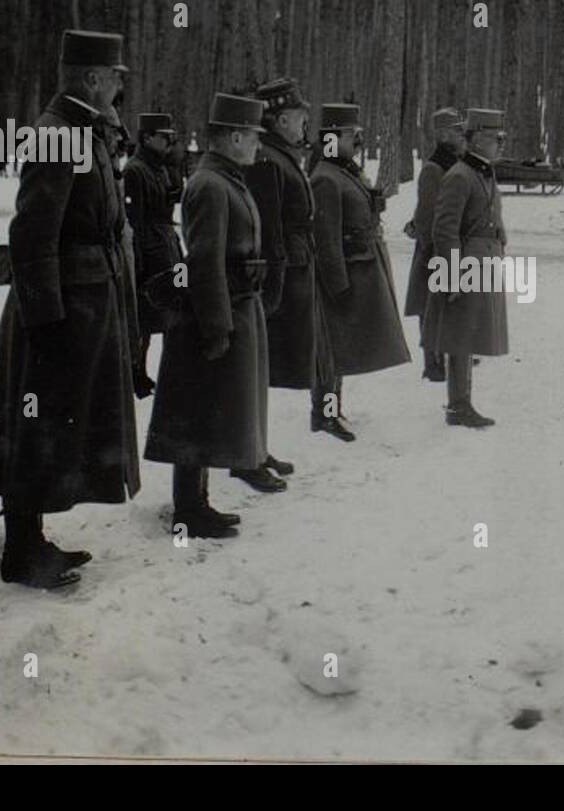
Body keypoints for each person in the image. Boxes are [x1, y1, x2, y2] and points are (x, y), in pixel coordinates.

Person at [0, 29, 140, 590]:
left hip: (84, 303)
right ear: (91, 79)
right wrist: (45, 318)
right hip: (59, 311)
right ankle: (21, 553)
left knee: (55, 426)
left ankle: (33, 539)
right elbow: (33, 231)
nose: (120, 84)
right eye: (115, 75)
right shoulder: (57, 135)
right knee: (36, 424)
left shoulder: (82, 131)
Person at [144, 93, 272, 538]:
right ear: (234, 136)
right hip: (210, 314)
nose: (258, 144)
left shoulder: (225, 179)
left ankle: (197, 501)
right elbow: (205, 262)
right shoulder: (211, 185)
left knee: (205, 409)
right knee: (195, 410)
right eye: (254, 136)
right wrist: (217, 328)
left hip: (232, 306)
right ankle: (188, 508)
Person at [309, 102, 411, 440]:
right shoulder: (325, 177)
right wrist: (337, 285)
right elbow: (325, 239)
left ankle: (333, 409)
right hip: (343, 273)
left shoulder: (344, 171)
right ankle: (323, 415)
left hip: (359, 267)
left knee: (342, 349)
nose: (359, 141)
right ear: (331, 138)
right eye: (352, 135)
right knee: (331, 351)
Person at [235, 76, 317, 492]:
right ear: (282, 119)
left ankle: (256, 448)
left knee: (262, 366)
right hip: (274, 280)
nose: (306, 124)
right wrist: (274, 287)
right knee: (253, 367)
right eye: (301, 117)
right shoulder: (267, 159)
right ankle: (246, 456)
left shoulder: (280, 153)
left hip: (289, 272)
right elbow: (265, 229)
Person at [422, 108, 509, 427]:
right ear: (476, 140)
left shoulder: (483, 172)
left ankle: (463, 402)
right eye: (494, 139)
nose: (500, 144)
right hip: (466, 264)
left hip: (483, 260)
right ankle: (458, 405)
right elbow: (444, 230)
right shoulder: (459, 175)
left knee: (471, 335)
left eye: (502, 138)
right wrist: (453, 275)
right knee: (460, 336)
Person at [124, 113, 185, 396]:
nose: (169, 142)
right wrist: (136, 259)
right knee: (143, 316)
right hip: (148, 249)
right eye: (164, 137)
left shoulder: (159, 167)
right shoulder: (135, 170)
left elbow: (172, 198)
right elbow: (134, 218)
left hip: (166, 245)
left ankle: (141, 371)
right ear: (147, 137)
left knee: (162, 313)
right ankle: (135, 371)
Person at [405, 107, 467, 383]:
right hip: (433, 247)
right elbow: (427, 212)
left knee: (445, 304)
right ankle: (431, 363)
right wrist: (431, 245)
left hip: (447, 243)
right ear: (443, 135)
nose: (461, 135)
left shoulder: (455, 164)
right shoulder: (433, 168)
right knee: (428, 307)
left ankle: (448, 354)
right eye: (456, 130)